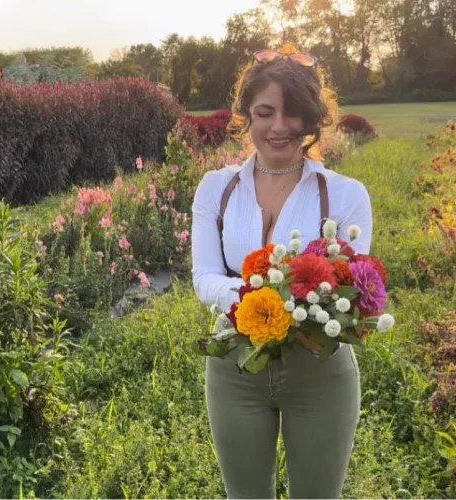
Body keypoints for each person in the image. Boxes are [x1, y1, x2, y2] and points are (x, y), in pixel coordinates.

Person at [190, 49, 373, 499]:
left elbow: (347, 291)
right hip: (235, 366)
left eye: (292, 113)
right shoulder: (216, 188)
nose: (278, 127)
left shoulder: (345, 195)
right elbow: (204, 276)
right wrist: (260, 299)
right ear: (246, 116)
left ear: (311, 117)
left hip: (318, 368)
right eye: (265, 112)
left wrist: (278, 300)